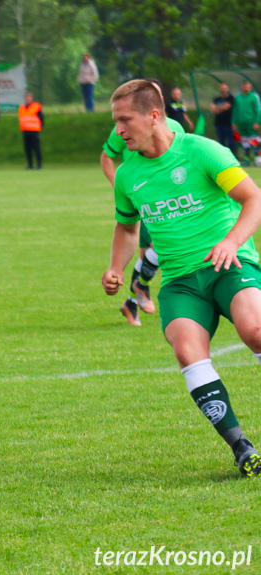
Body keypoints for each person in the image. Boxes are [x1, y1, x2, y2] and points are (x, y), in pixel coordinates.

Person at [102, 79, 261, 477]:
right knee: (187, 352)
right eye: (115, 122)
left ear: (154, 116)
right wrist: (116, 269)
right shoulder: (128, 176)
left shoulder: (202, 150)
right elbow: (126, 228)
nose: (118, 131)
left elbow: (253, 199)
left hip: (230, 265)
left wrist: (230, 242)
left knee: (255, 329)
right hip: (180, 282)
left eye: (125, 121)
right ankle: (241, 446)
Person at [100, 79, 185, 326]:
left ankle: (133, 300)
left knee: (156, 251)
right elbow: (107, 157)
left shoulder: (178, 129)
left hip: (170, 199)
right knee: (154, 249)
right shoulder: (124, 126)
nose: (120, 129)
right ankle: (139, 292)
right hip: (143, 197)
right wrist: (121, 186)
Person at [232, 81, 261, 165]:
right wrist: (234, 122)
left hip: (251, 123)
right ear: (242, 87)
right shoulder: (238, 98)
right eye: (244, 87)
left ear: (250, 87)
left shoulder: (254, 97)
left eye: (247, 87)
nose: (246, 88)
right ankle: (246, 159)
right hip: (241, 124)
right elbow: (235, 111)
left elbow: (258, 110)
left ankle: (257, 158)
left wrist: (257, 122)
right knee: (244, 141)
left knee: (254, 140)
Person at [18, 92, 43, 170]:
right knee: (27, 149)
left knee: (36, 148)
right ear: (25, 98)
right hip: (25, 130)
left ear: (32, 99)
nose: (28, 100)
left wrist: (40, 126)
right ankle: (30, 165)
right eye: (27, 98)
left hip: (34, 130)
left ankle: (39, 165)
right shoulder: (21, 107)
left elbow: (41, 117)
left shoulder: (36, 106)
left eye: (30, 98)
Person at [210, 83, 235, 154]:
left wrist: (217, 108)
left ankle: (233, 156)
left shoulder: (230, 98)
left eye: (225, 88)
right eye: (222, 88)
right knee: (221, 141)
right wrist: (221, 108)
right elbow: (212, 110)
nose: (223, 90)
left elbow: (226, 107)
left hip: (228, 123)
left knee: (230, 141)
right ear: (220, 89)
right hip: (218, 123)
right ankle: (223, 156)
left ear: (227, 89)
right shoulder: (216, 99)